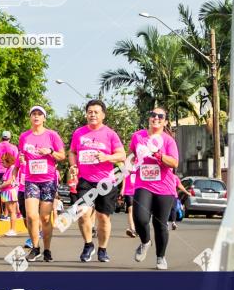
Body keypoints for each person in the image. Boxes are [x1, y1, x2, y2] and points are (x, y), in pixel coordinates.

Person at [68, 99, 125, 263]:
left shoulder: (110, 134)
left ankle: (102, 249)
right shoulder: (79, 133)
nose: (92, 114)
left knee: (103, 218)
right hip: (85, 181)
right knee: (83, 213)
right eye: (90, 112)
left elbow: (121, 155)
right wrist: (73, 165)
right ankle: (88, 245)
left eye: (96, 112)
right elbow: (72, 152)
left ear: (103, 115)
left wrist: (107, 157)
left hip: (106, 182)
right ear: (86, 114)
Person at [130, 108, 180, 270]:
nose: (156, 118)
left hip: (164, 188)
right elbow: (131, 155)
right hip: (143, 184)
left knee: (160, 224)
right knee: (140, 218)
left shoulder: (168, 140)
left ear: (165, 122)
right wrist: (129, 164)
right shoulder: (138, 136)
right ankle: (145, 242)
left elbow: (174, 163)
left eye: (160, 116)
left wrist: (159, 155)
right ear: (149, 119)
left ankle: (161, 257)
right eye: (153, 115)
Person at [18, 105, 65, 262]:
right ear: (30, 117)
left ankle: (47, 250)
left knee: (45, 218)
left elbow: (62, 156)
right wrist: (20, 160)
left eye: (39, 114)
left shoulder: (52, 135)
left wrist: (50, 152)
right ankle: (35, 248)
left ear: (44, 118)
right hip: (31, 180)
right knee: (31, 216)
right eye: (33, 114)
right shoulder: (24, 136)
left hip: (48, 181)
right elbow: (21, 154)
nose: (36, 117)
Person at [0, 153, 18, 236]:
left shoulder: (12, 168)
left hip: (9, 191)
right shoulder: (9, 169)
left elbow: (9, 181)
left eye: (3, 162)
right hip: (6, 191)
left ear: (8, 161)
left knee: (12, 212)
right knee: (10, 211)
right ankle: (11, 229)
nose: (2, 163)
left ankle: (13, 229)